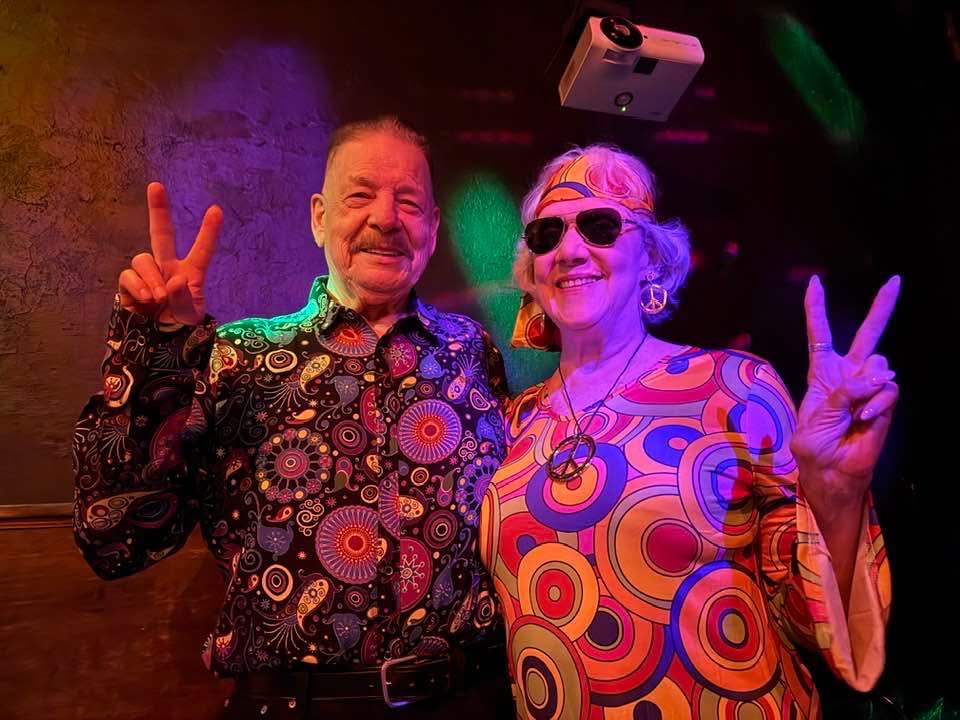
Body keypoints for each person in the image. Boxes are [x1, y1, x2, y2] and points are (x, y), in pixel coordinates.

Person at [72, 116, 515, 719]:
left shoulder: (473, 351)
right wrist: (158, 352)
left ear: (433, 228)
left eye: (409, 202)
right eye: (359, 196)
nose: (386, 218)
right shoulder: (239, 357)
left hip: (468, 701)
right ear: (318, 217)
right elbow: (117, 541)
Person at [479, 144, 898, 719]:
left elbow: (809, 617)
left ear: (651, 257)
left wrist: (836, 498)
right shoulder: (511, 420)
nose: (570, 250)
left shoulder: (734, 387)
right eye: (547, 234)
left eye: (600, 226)